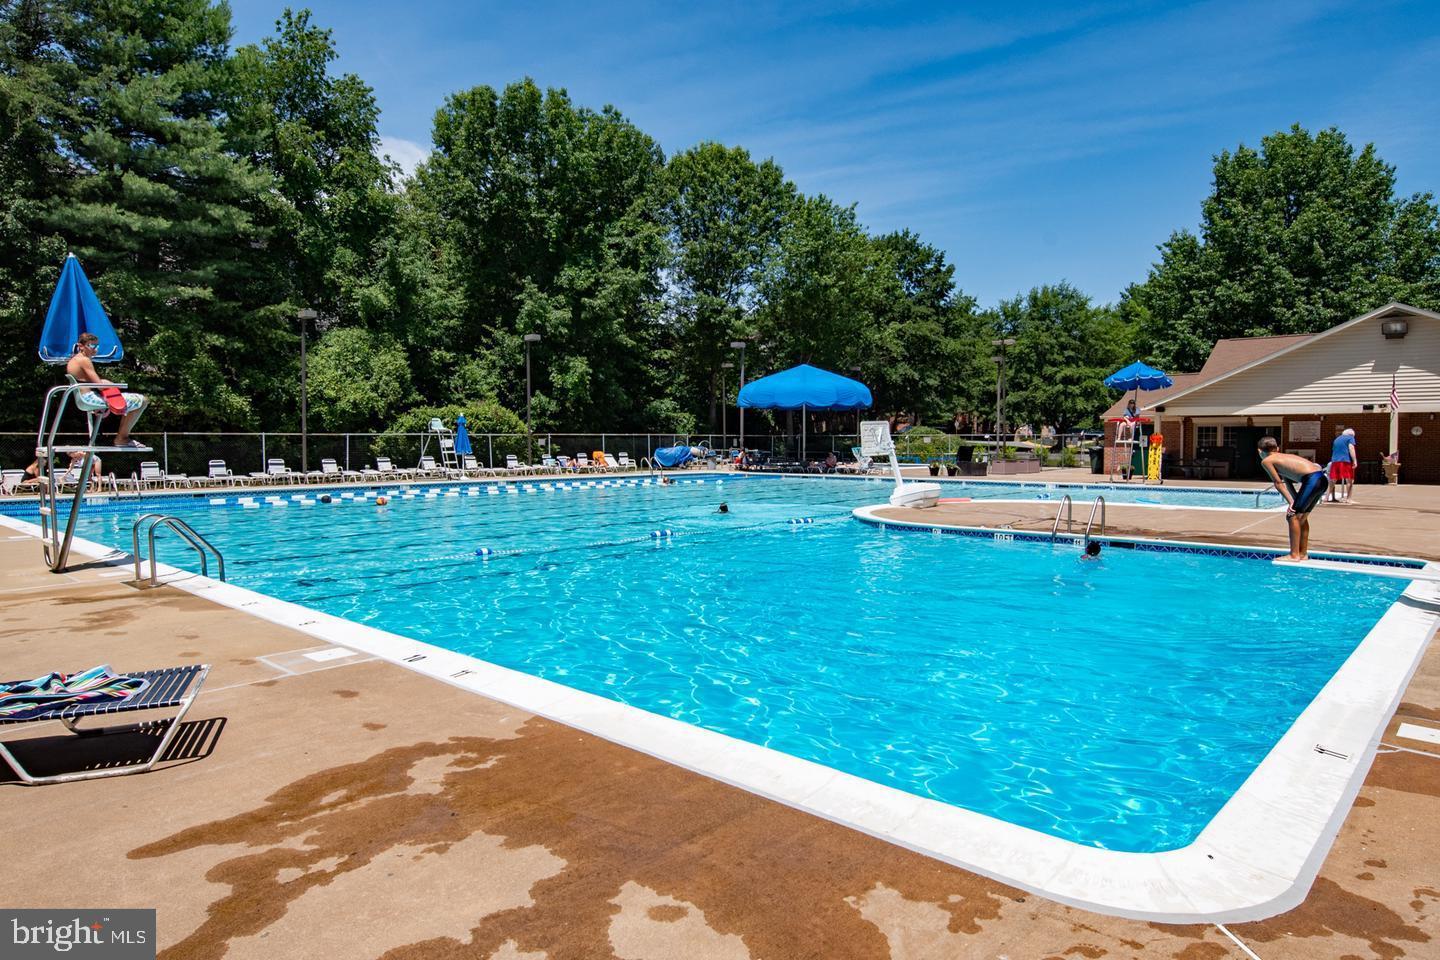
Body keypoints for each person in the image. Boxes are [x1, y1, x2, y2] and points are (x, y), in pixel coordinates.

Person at [67, 333, 148, 447]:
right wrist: (112, 385)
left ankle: (122, 438)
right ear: (81, 346)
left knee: (130, 401)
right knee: (143, 400)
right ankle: (121, 438)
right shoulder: (84, 360)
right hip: (88, 398)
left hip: (85, 398)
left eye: (97, 346)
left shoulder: (74, 360)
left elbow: (91, 383)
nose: (95, 349)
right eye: (92, 346)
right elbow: (100, 386)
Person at [1257, 437, 1326, 561]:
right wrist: (1294, 501)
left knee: (1291, 516)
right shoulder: (1282, 457)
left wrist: (1291, 504)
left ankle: (1294, 555)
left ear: (1259, 451)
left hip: (1312, 480)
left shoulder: (1267, 461)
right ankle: (1303, 554)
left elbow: (1278, 483)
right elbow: (1287, 481)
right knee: (1302, 517)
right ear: (1277, 449)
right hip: (1322, 479)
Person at [1326, 428, 1357, 504]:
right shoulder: (1350, 438)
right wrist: (1354, 460)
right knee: (1349, 480)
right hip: (1345, 460)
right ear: (1351, 434)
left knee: (1333, 480)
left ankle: (1327, 498)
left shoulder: (1337, 439)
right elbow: (1351, 448)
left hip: (1335, 460)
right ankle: (1348, 499)